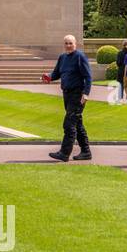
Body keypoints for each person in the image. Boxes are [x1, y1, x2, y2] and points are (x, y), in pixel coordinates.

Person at [43, 34, 92, 162]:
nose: (68, 45)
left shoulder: (80, 56)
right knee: (77, 123)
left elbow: (88, 77)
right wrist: (49, 77)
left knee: (69, 124)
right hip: (67, 93)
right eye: (66, 43)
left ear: (75, 44)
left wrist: (86, 93)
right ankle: (86, 151)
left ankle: (64, 153)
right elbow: (57, 73)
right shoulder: (62, 57)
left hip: (78, 94)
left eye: (70, 43)